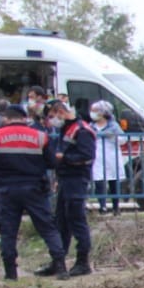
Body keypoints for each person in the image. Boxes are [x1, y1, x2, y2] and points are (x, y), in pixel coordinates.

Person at [0, 103, 68, 280]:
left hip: (6, 190)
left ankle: (10, 274)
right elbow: (51, 163)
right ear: (25, 118)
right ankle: (61, 267)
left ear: (6, 118)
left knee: (8, 231)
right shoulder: (40, 136)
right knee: (48, 228)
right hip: (34, 188)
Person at [50, 97, 95, 275]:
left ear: (61, 112)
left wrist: (64, 159)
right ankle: (58, 261)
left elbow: (86, 155)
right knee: (61, 221)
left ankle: (83, 262)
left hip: (76, 180)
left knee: (76, 220)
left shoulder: (81, 130)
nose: (51, 121)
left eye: (52, 116)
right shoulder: (67, 128)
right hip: (65, 180)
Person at [89, 100, 125, 214]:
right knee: (99, 181)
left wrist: (112, 137)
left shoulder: (113, 126)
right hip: (97, 157)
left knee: (113, 181)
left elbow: (123, 139)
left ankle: (115, 206)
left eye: (95, 111)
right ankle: (102, 206)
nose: (92, 113)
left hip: (111, 157)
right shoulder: (91, 126)